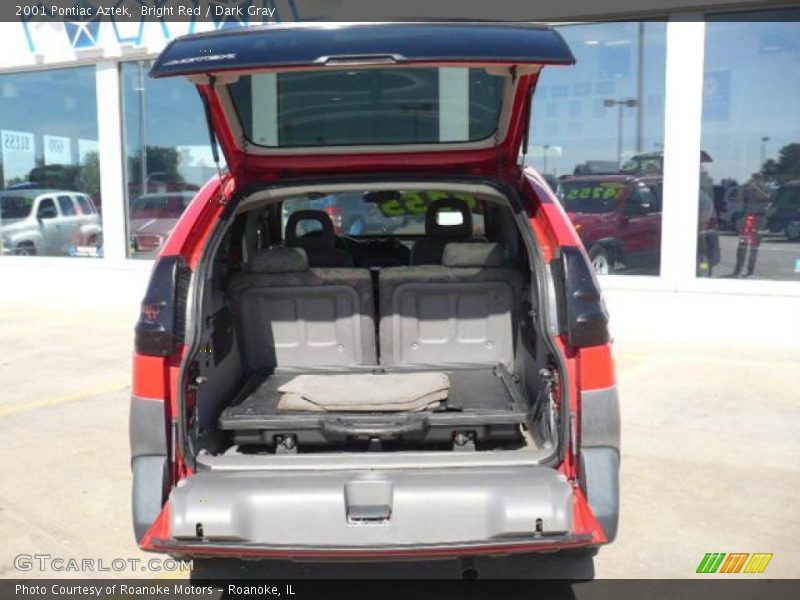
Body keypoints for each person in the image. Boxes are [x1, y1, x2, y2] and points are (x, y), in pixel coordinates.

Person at [731, 172, 770, 277]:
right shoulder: (747, 189)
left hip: (760, 218)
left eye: (758, 177)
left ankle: (750, 270)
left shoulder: (765, 188)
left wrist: (756, 188)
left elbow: (766, 197)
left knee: (754, 245)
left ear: (762, 179)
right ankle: (738, 269)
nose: (756, 179)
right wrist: (741, 190)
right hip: (749, 217)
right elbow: (738, 200)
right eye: (754, 177)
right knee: (743, 244)